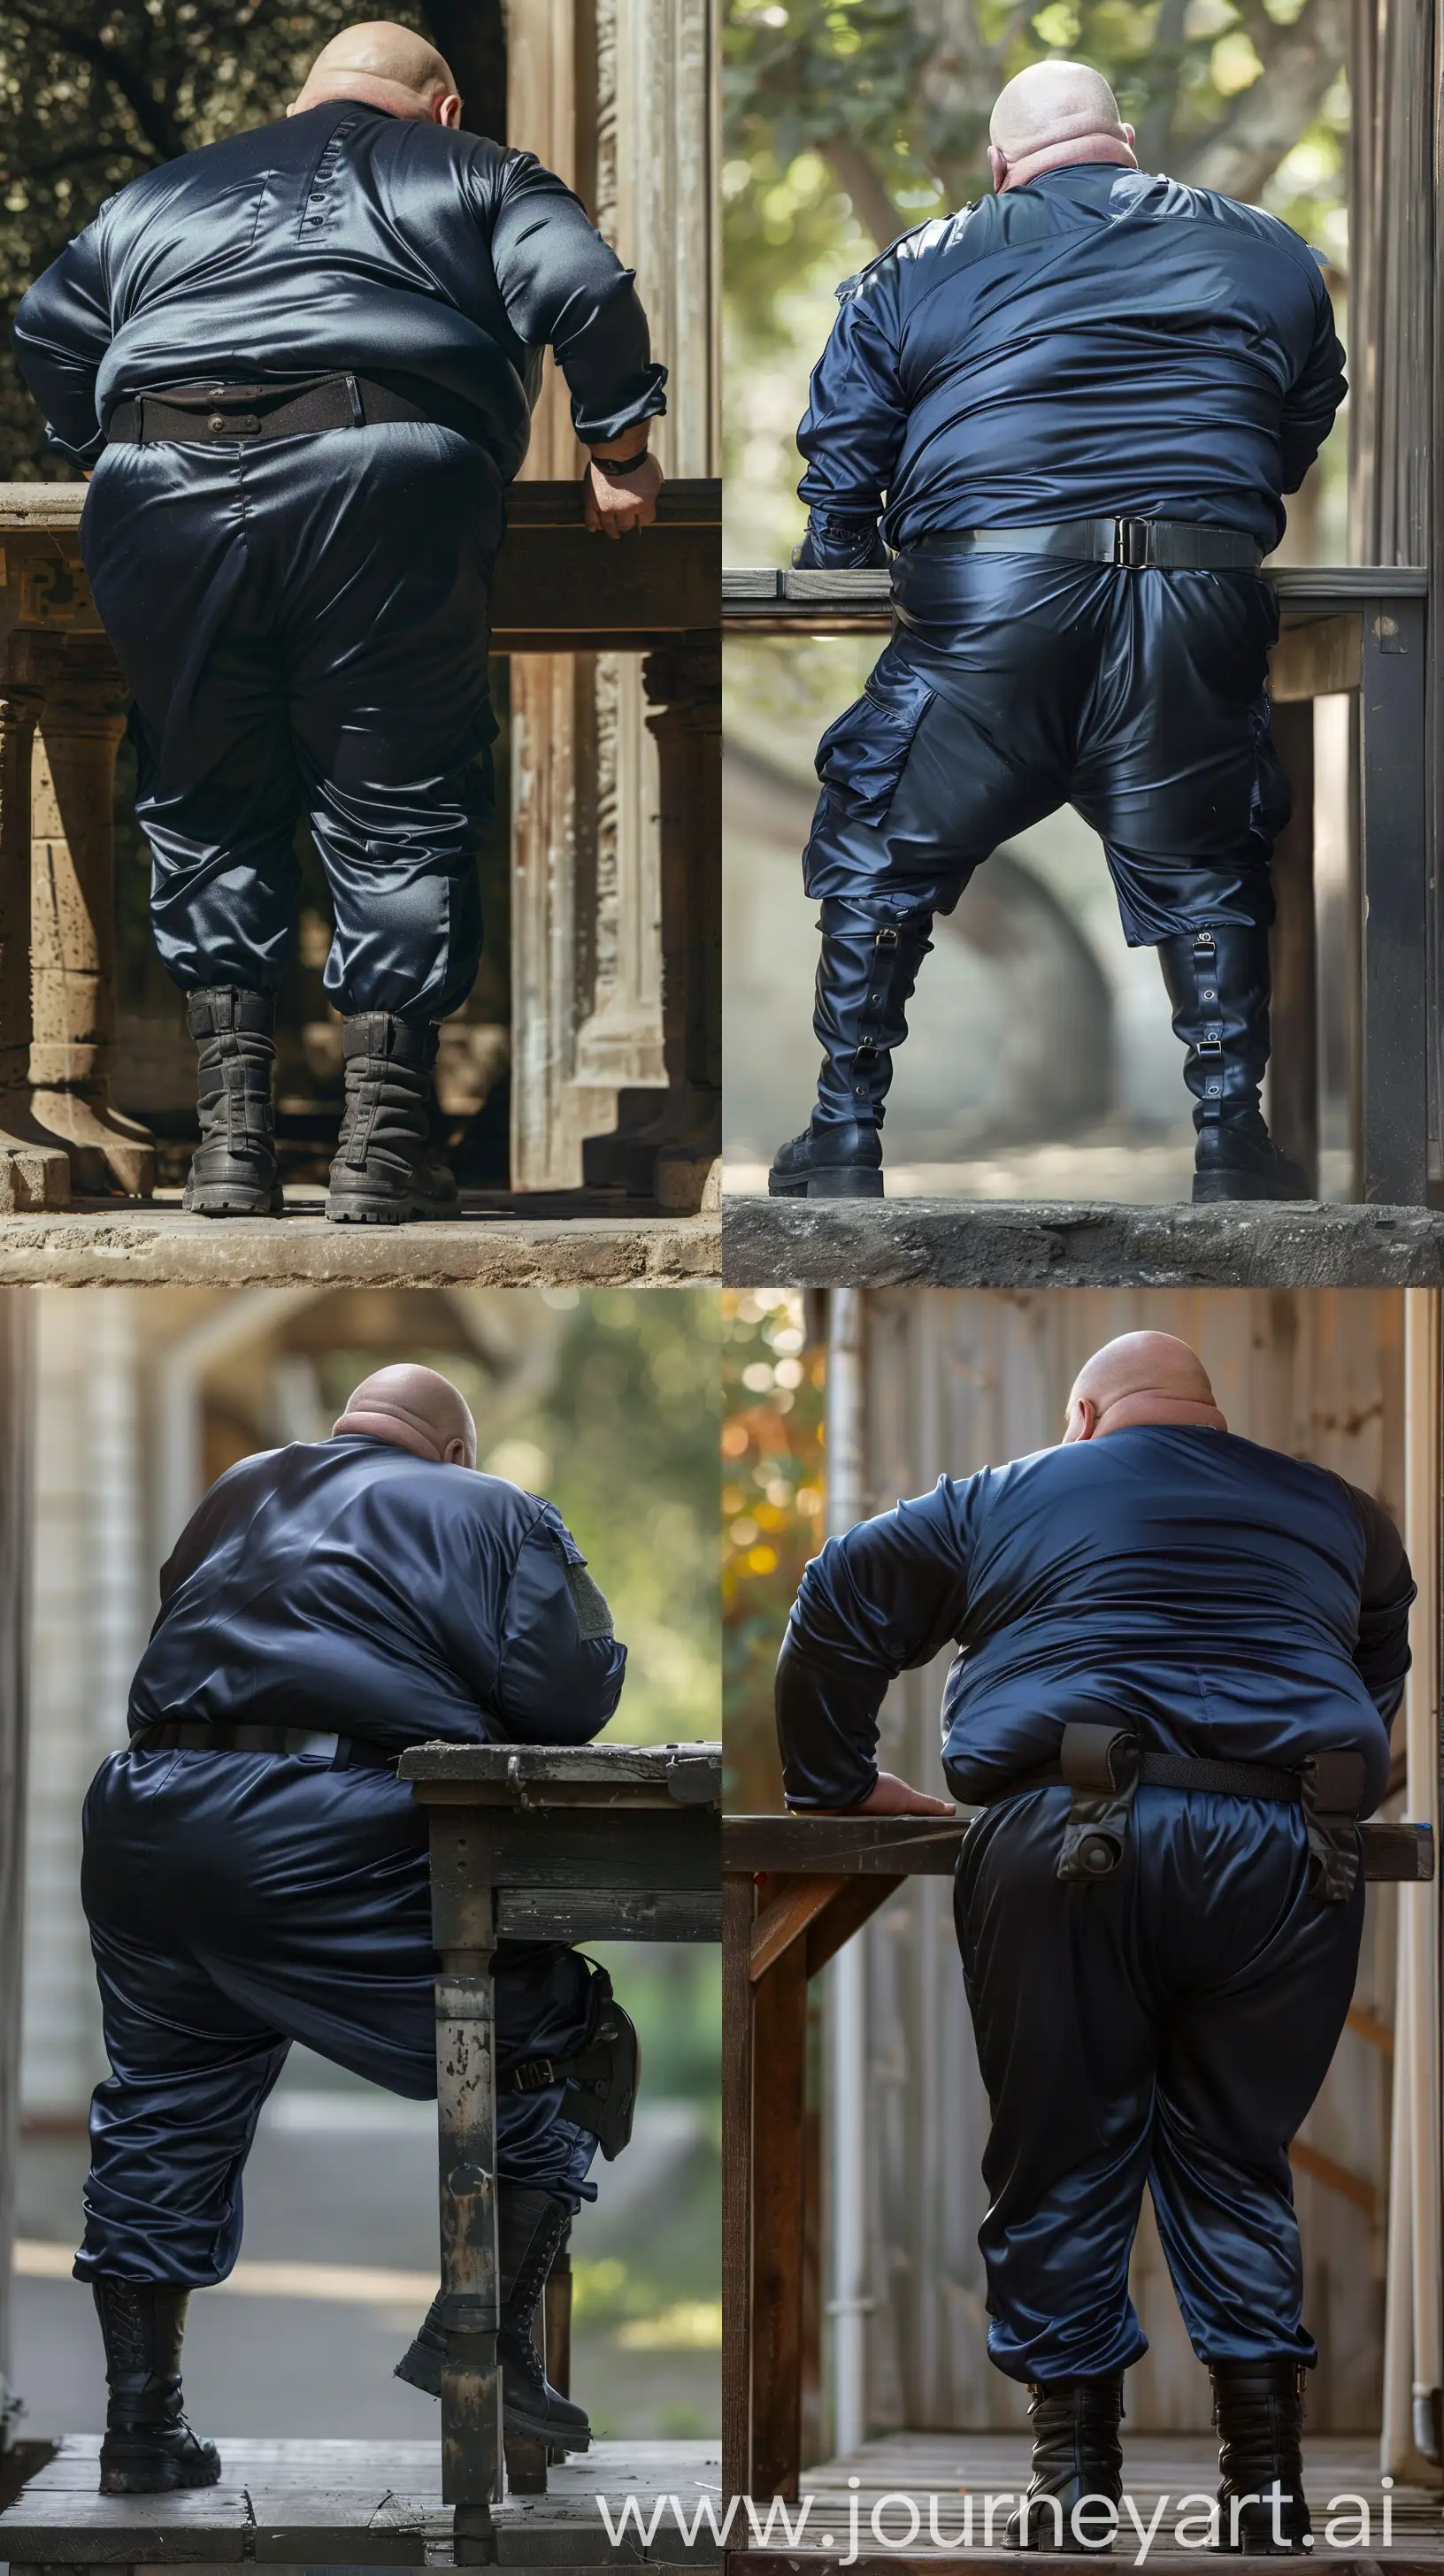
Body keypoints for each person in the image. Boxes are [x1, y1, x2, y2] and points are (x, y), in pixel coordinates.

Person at [13, 23, 667, 1223]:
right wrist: (619, 442)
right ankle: (380, 1154)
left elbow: (49, 330)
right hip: (383, 476)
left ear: (307, 94)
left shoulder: (158, 194)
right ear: (447, 106)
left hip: (156, 487)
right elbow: (582, 285)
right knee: (396, 802)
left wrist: (110, 441)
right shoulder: (480, 173)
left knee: (204, 801)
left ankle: (228, 1152)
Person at [775, 1332, 1413, 2552]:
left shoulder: (1000, 1497)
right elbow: (1379, 1641)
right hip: (1291, 1854)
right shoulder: (1343, 1514)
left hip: (1070, 1841)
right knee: (1237, 2158)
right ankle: (1268, 2491)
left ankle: (1073, 2489)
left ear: (1082, 1415)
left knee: (1062, 2154)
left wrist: (835, 1784)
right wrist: (1327, 1780)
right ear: (1210, 1418)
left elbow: (837, 1593)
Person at [767, 59, 1346, 1208]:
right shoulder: (1269, 251)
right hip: (1195, 590)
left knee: (884, 838)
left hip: (993, 598)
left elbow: (842, 461)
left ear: (999, 165)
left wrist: (839, 553)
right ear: (1123, 140)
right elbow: (1300, 414)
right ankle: (1234, 1143)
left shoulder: (916, 264)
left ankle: (843, 1136)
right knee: (1208, 857)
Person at [77, 1364, 632, 2495]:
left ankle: (143, 2426)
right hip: (327, 1822)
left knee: (159, 2107)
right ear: (455, 1453)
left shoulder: (237, 1487)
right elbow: (572, 1693)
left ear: (344, 1431)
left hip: (145, 1820)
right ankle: (481, 2342)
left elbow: (185, 1628)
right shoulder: (494, 1511)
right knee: (563, 2031)